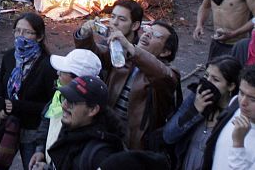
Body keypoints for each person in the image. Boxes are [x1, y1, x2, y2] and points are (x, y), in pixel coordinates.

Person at [74, 16, 181, 150]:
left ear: (165, 52)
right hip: (105, 129)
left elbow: (163, 75)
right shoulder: (123, 56)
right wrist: (84, 34)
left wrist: (131, 48)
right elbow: (93, 55)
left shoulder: (169, 74)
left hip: (135, 142)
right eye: (148, 29)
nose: (147, 34)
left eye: (156, 35)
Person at [0, 14, 56, 169]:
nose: (21, 36)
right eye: (17, 31)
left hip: (32, 130)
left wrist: (18, 106)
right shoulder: (9, 56)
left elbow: (50, 106)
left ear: (39, 36)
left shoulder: (48, 66)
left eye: (27, 32)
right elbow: (0, 85)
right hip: (6, 125)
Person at [162, 56, 242, 170]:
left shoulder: (234, 115)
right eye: (206, 76)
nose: (207, 82)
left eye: (215, 79)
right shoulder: (196, 98)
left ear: (231, 86)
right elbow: (168, 136)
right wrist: (194, 111)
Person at [34, 76, 125, 170]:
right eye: (64, 98)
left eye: (71, 102)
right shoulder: (71, 131)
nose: (63, 105)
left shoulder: (100, 156)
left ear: (93, 110)